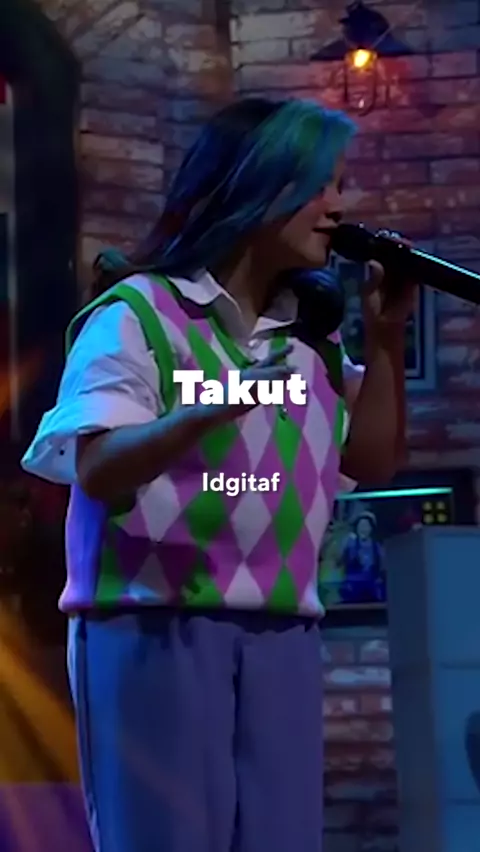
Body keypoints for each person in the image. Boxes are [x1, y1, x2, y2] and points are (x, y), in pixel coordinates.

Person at [21, 96, 415, 852]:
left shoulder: (309, 340)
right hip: (152, 622)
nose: (338, 207)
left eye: (340, 186)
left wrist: (388, 335)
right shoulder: (140, 315)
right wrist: (210, 407)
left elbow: (370, 458)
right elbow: (99, 468)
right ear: (255, 185)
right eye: (320, 185)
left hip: (282, 626)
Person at [341, 510, 385, 603]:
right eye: (361, 525)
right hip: (353, 584)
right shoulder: (350, 543)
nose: (363, 529)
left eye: (366, 526)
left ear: (371, 528)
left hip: (372, 584)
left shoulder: (376, 546)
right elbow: (339, 559)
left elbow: (383, 565)